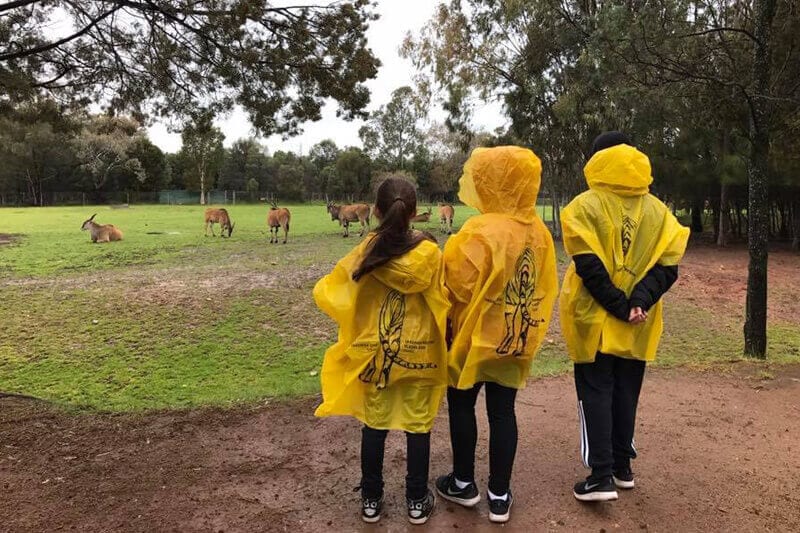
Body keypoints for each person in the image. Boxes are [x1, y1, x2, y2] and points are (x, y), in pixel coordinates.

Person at [559, 132, 690, 502]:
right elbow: (669, 266)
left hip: (595, 319)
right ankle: (621, 466)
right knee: (626, 390)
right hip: (640, 320)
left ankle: (600, 475)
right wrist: (638, 302)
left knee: (596, 389)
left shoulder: (584, 206)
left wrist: (618, 304)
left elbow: (589, 266)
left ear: (598, 160)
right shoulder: (658, 211)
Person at [313, 177, 450, 525]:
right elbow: (443, 299)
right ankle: (417, 500)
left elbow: (335, 290)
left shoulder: (366, 251)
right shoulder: (431, 253)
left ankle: (371, 500)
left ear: (375, 210)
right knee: (419, 425)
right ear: (416, 211)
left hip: (376, 355)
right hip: (422, 354)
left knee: (374, 424)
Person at [434, 146, 558, 523]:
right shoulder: (539, 232)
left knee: (461, 404)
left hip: (473, 341)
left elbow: (455, 284)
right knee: (503, 411)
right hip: (517, 336)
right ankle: (500, 494)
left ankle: (463, 482)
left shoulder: (479, 229)